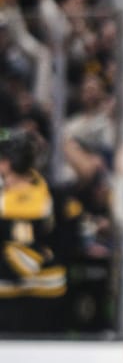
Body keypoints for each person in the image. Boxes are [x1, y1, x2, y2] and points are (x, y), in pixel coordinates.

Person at [0, 128, 67, 333]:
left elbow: (22, 263)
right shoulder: (30, 187)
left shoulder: (29, 202)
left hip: (32, 301)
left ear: (7, 163)